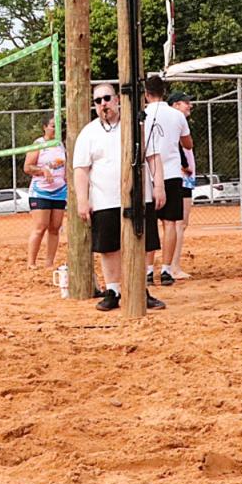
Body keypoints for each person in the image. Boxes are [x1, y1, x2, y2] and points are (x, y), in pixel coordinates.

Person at [73, 81, 167, 312]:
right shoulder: (89, 133)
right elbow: (81, 169)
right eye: (98, 101)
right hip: (104, 200)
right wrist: (82, 200)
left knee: (142, 243)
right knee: (109, 247)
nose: (103, 104)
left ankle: (140, 289)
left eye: (107, 98)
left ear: (117, 99)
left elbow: (153, 157)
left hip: (139, 196)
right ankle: (113, 290)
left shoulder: (136, 125)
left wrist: (159, 186)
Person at [144, 77, 193, 286]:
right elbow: (188, 144)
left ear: (146, 94)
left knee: (149, 224)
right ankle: (166, 269)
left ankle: (148, 270)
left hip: (149, 173)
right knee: (170, 222)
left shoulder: (142, 115)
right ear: (164, 92)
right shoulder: (177, 115)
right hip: (172, 172)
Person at [23, 116, 66, 269]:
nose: (56, 129)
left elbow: (64, 166)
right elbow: (27, 167)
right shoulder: (38, 144)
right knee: (40, 227)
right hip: (41, 191)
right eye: (53, 126)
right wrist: (43, 170)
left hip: (60, 191)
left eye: (58, 126)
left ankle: (49, 263)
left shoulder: (61, 144)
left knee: (55, 227)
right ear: (45, 127)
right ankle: (31, 263)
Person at [167, 91, 196, 279]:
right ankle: (173, 267)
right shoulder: (175, 122)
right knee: (178, 223)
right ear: (176, 105)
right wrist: (185, 166)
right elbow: (178, 146)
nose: (189, 105)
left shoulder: (175, 122)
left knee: (180, 223)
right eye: (186, 102)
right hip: (181, 178)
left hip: (184, 178)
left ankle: (172, 265)